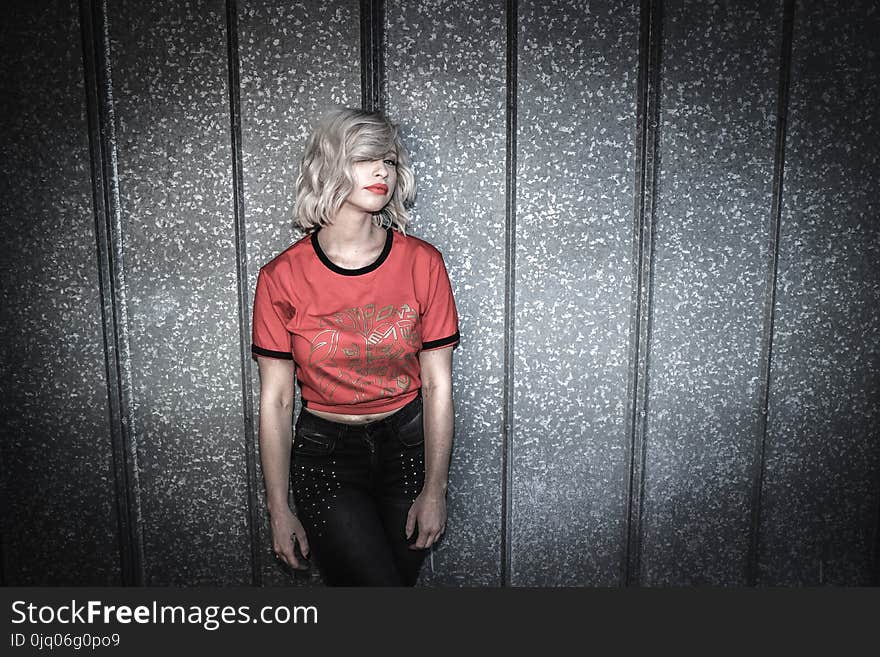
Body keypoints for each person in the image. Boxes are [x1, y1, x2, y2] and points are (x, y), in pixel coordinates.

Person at [250, 108, 460, 586]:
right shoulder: (280, 277)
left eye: (388, 159)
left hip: (408, 449)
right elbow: (278, 400)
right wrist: (278, 509)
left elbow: (437, 384)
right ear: (329, 167)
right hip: (326, 457)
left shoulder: (423, 263)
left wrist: (436, 488)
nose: (382, 170)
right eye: (366, 158)